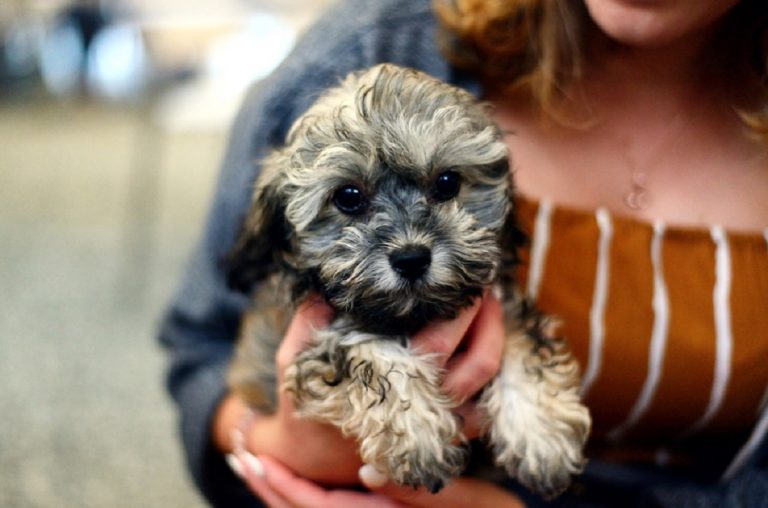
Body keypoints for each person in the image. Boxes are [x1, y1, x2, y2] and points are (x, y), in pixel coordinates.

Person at [158, 0, 768, 506]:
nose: (408, 242)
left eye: (445, 187)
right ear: (278, 223)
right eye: (350, 199)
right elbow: (201, 344)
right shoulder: (359, 46)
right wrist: (264, 443)